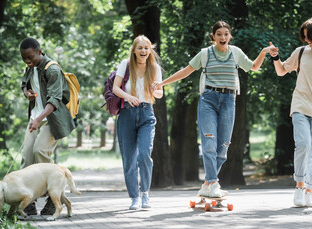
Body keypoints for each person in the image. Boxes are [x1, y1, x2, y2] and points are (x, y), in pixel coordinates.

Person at [155, 21, 276, 198]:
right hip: (208, 100)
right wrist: (162, 83)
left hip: (229, 100)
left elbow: (254, 67)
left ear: (230, 36)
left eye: (226, 34)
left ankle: (207, 184)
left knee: (223, 148)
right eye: (219, 34)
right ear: (213, 37)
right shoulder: (205, 54)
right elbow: (186, 71)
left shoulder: (235, 53)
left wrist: (264, 52)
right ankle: (213, 182)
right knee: (209, 142)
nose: (223, 37)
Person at [270, 16, 312, 207]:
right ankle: (299, 187)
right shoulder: (301, 53)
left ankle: (309, 191)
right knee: (304, 144)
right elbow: (282, 70)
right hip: (300, 106)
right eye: (305, 37)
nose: (307, 41)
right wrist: (276, 57)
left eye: (311, 37)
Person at [19, 38, 76, 215]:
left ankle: (53, 198)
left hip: (52, 119)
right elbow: (24, 84)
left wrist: (38, 119)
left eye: (30, 57)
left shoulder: (52, 69)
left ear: (39, 51)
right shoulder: (29, 68)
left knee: (40, 151)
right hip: (35, 118)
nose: (28, 61)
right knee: (27, 157)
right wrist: (26, 93)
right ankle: (28, 200)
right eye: (24, 59)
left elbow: (55, 99)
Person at [113, 35, 163, 210]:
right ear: (134, 50)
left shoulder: (154, 68)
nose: (143, 51)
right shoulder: (125, 64)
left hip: (146, 114)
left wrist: (154, 89)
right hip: (127, 113)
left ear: (150, 50)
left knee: (144, 154)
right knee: (129, 160)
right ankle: (134, 197)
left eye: (146, 48)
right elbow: (115, 88)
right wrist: (128, 97)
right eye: (140, 48)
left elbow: (159, 95)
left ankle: (145, 195)